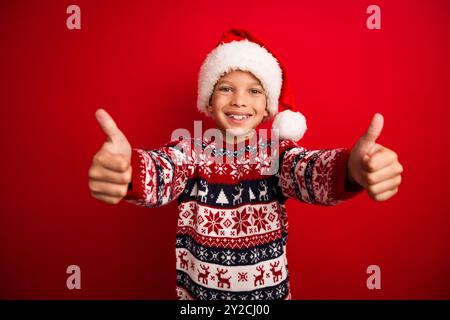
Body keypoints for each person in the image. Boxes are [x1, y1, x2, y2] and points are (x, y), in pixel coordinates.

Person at [88, 29, 403, 300]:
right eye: (226, 88)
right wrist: (128, 169)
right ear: (208, 101)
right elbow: (162, 170)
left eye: (254, 91)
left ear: (267, 106)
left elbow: (310, 170)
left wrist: (352, 169)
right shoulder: (189, 151)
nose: (239, 100)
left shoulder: (276, 155)